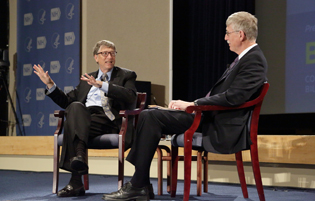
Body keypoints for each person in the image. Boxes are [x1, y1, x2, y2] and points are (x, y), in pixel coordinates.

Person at [102, 11, 268, 201]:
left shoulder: (253, 59)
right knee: (151, 113)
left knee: (150, 116)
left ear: (241, 35)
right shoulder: (244, 59)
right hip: (209, 117)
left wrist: (193, 104)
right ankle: (141, 184)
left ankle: (139, 184)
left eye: (227, 32)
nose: (225, 37)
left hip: (220, 125)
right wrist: (189, 106)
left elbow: (234, 97)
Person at [33, 40, 138, 197]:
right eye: (105, 53)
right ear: (96, 57)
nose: (109, 56)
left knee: (73, 126)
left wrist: (102, 85)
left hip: (109, 119)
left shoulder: (126, 75)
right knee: (75, 107)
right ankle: (79, 157)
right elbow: (67, 101)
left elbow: (131, 97)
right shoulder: (86, 80)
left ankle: (75, 181)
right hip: (86, 118)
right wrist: (50, 85)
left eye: (112, 53)